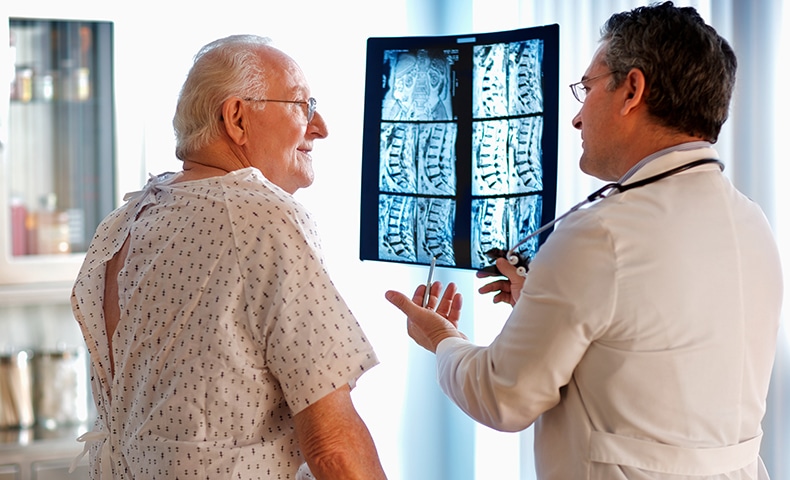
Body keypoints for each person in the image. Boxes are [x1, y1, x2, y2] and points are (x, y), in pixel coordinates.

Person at [386, 2, 783, 479]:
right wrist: (548, 305)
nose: (576, 118)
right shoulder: (753, 223)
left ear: (631, 90)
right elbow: (658, 364)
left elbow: (503, 398)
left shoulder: (599, 233)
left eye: (587, 88)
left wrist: (442, 338)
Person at [71, 35, 387, 480]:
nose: (320, 127)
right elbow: (332, 447)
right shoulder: (264, 217)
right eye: (302, 105)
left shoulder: (124, 223)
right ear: (237, 118)